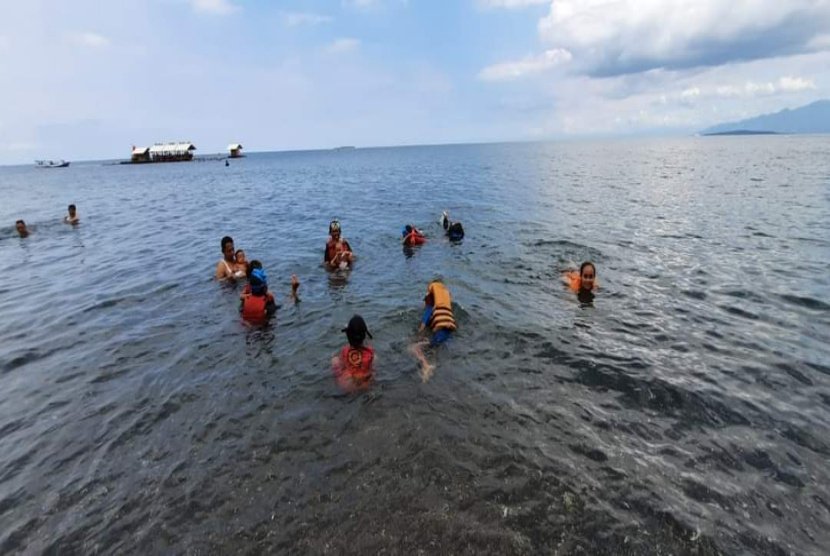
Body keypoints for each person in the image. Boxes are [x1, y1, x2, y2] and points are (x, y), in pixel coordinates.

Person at [409, 280, 457, 382]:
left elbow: (422, 326)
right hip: (449, 336)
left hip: (439, 336)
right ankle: (432, 364)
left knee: (412, 348)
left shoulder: (430, 308)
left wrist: (418, 335)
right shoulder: (445, 306)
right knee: (434, 348)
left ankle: (426, 366)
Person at [331, 315, 375, 392]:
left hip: (347, 385)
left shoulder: (344, 351)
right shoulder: (370, 352)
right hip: (366, 384)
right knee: (374, 360)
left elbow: (342, 364)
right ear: (364, 335)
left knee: (335, 359)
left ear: (348, 335)